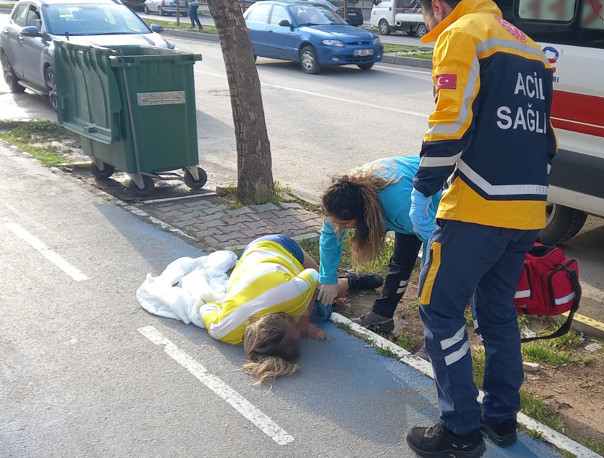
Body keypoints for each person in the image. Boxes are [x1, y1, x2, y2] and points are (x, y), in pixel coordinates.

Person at [405, 0, 557, 455]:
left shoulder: (464, 33)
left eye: (425, 13)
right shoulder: (529, 45)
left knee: (439, 310)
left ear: (437, 6)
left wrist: (425, 185)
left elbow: (450, 121)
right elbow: (545, 137)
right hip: (528, 209)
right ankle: (501, 421)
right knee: (497, 316)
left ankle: (460, 430)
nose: (427, 23)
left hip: (476, 207)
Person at [199, 234, 381, 385]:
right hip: (255, 262)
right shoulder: (224, 329)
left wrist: (305, 323)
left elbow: (315, 275)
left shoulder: (292, 293)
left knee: (327, 289)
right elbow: (207, 307)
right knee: (321, 309)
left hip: (278, 246)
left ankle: (349, 281)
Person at [317, 156, 442, 335]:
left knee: (434, 281)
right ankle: (382, 315)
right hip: (409, 209)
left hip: (440, 205)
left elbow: (434, 244)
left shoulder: (401, 207)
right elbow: (329, 236)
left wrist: (430, 281)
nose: (340, 228)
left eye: (345, 224)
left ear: (363, 215)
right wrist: (328, 279)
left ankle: (436, 338)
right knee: (400, 262)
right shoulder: (342, 197)